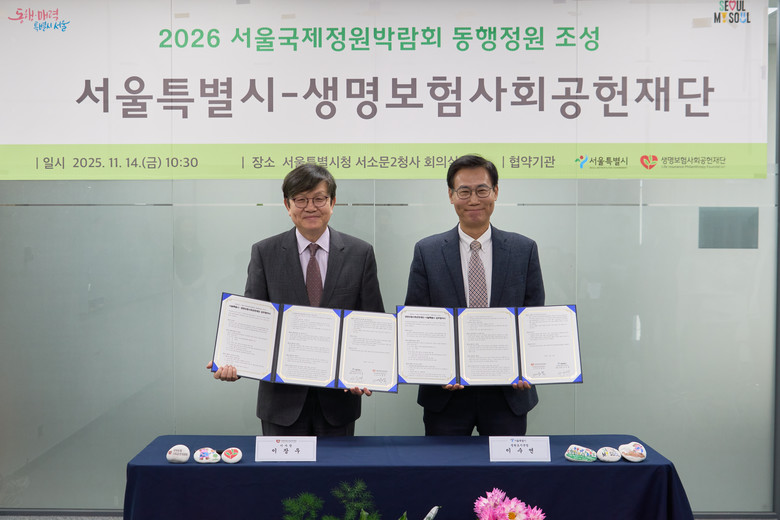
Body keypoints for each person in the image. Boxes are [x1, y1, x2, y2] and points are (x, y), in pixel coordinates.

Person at [207, 163, 385, 436]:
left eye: (319, 199)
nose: (310, 207)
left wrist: (368, 371)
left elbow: (372, 321)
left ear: (332, 202)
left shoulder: (360, 253)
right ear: (287, 205)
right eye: (301, 199)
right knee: (280, 467)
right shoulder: (265, 252)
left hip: (338, 402)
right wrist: (233, 360)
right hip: (282, 403)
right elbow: (253, 321)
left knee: (337, 466)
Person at [404, 154, 545, 436]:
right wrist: (436, 370)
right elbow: (416, 320)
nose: (473, 200)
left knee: (505, 466)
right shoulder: (427, 251)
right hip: (446, 395)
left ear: (495, 192)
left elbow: (534, 317)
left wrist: (527, 366)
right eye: (464, 191)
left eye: (482, 190)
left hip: (508, 393)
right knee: (446, 465)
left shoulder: (523, 249)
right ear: (451, 195)